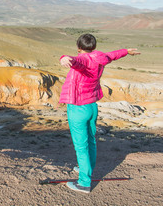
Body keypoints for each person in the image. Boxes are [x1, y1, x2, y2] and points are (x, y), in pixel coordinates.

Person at [59, 33, 140, 193]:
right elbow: (112, 55)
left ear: (79, 47)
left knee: (80, 146)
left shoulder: (83, 60)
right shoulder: (100, 58)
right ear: (94, 47)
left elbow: (77, 60)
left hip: (77, 108)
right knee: (91, 140)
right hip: (91, 106)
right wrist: (126, 51)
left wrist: (64, 57)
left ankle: (84, 183)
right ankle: (86, 167)